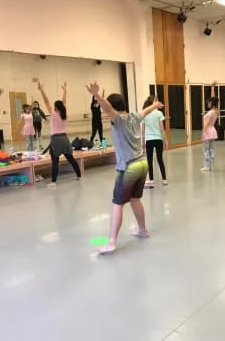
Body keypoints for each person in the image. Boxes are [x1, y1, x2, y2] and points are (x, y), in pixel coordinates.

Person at [85, 82, 164, 254]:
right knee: (135, 199)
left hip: (129, 167)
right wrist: (155, 105)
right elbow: (146, 110)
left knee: (117, 203)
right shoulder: (135, 116)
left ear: (114, 108)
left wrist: (97, 95)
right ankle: (142, 230)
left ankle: (112, 242)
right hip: (142, 163)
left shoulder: (118, 120)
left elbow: (106, 108)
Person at [37, 81, 81, 188]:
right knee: (71, 159)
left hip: (56, 140)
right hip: (65, 139)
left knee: (55, 161)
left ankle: (53, 182)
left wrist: (41, 90)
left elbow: (46, 101)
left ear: (55, 107)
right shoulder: (64, 114)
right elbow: (64, 102)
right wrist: (65, 91)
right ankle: (79, 176)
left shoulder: (53, 113)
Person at [141, 95, 168, 187]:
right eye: (156, 100)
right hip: (158, 139)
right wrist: (165, 140)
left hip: (148, 140)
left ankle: (151, 179)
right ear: (153, 102)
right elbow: (162, 129)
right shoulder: (159, 113)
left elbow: (142, 131)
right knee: (160, 159)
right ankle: (164, 179)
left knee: (149, 160)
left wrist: (142, 143)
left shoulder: (144, 114)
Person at [201, 81, 219, 172]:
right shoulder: (216, 110)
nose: (207, 104)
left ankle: (207, 166)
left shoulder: (210, 112)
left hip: (208, 131)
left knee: (206, 149)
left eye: (209, 102)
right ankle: (210, 165)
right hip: (213, 131)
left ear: (212, 103)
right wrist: (212, 87)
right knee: (211, 149)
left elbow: (206, 124)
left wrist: (203, 134)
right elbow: (214, 98)